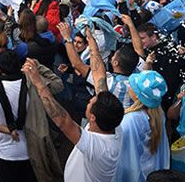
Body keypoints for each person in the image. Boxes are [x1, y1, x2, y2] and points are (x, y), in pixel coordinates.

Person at [26, 27, 125, 182]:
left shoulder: (98, 147)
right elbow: (99, 75)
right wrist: (92, 42)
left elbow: (63, 120)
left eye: (92, 102)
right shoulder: (110, 123)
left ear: (92, 117)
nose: (91, 99)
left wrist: (39, 83)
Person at [0, 50, 64, 182]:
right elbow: (58, 85)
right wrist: (38, 67)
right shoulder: (33, 82)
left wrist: (9, 130)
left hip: (5, 151)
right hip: (31, 149)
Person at [114, 71, 170, 181]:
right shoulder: (159, 114)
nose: (129, 86)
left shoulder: (130, 120)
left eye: (132, 85)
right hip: (152, 173)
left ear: (136, 94)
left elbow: (126, 158)